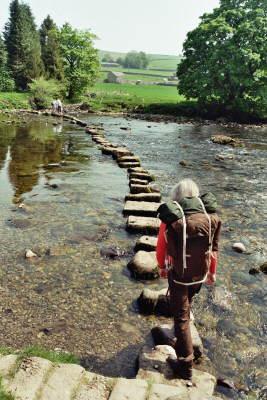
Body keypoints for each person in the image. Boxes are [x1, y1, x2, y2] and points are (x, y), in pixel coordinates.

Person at [156, 178, 222, 380]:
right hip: (200, 274)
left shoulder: (172, 218)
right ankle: (180, 331)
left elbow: (161, 247)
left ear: (177, 196)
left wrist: (161, 267)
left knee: (181, 317)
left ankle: (185, 366)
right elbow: (212, 249)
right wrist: (212, 271)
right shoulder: (208, 217)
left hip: (179, 274)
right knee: (188, 301)